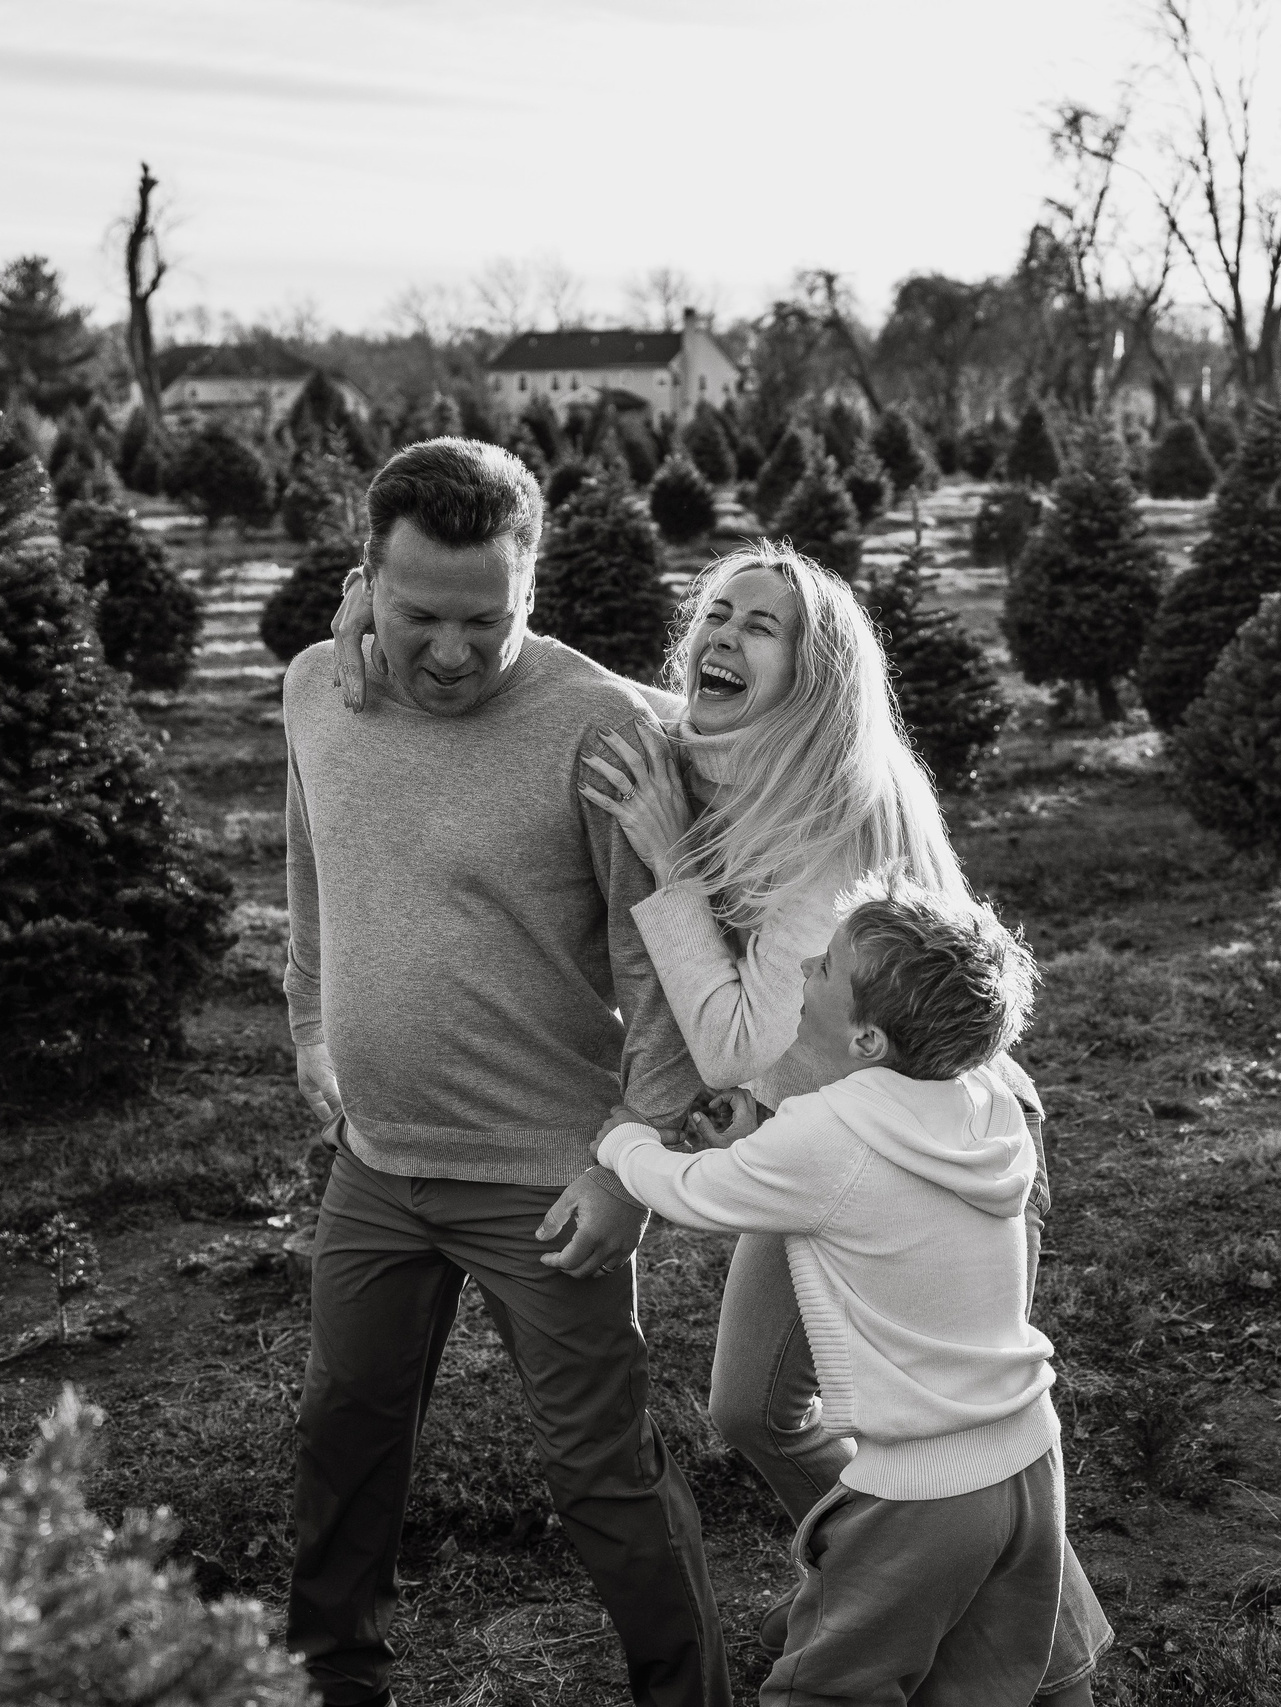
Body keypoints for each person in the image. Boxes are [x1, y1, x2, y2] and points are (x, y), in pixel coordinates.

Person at [337, 541, 1110, 1695]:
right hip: (823, 1142)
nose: (721, 638)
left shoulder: (839, 825)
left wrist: (666, 872)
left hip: (931, 1152)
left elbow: (738, 1041)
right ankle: (941, 1578)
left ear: (814, 675)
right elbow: (600, 693)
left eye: (760, 626)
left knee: (946, 1422)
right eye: (715, 613)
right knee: (755, 1409)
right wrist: (372, 607)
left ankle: (993, 1621)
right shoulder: (737, 743)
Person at [284, 438, 726, 1707]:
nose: (453, 651)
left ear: (529, 593)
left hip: (548, 1181)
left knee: (602, 1474)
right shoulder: (316, 688)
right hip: (375, 1162)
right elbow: (312, 866)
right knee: (344, 1438)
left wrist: (631, 1161)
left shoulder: (604, 728)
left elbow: (661, 967)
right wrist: (312, 1026)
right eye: (419, 614)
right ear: (365, 579)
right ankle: (331, 1683)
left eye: (490, 620)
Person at [589, 878, 1070, 1705]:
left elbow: (694, 1190)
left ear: (868, 1037)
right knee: (1000, 1681)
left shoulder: (828, 1130)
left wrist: (623, 1141)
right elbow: (856, 1174)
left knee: (821, 1691)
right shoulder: (985, 1095)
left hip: (923, 1491)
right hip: (1028, 1457)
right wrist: (773, 1141)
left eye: (826, 968)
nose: (807, 963)